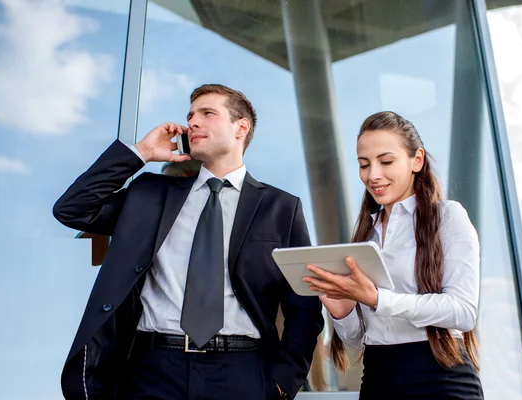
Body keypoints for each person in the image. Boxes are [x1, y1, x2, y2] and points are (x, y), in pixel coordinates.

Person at [53, 84, 324, 400]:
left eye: (207, 113)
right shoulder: (151, 194)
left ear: (241, 127)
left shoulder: (281, 208)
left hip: (242, 373)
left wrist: (281, 382)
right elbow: (73, 208)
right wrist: (141, 153)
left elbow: (303, 304)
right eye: (190, 115)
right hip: (152, 370)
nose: (193, 122)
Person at [303, 111, 484, 399]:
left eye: (386, 162)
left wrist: (377, 299)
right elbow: (356, 343)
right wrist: (343, 311)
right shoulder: (366, 236)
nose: (373, 175)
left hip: (441, 380)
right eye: (364, 165)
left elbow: (463, 312)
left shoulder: (447, 217)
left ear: (417, 160)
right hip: (378, 378)